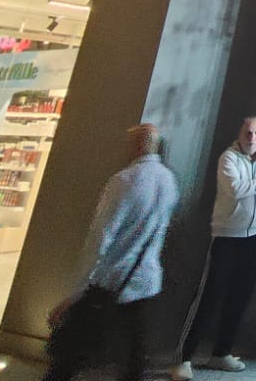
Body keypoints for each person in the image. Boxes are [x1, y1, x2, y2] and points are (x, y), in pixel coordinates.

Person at [45, 122, 179, 381]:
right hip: (147, 279)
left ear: (137, 145)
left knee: (73, 352)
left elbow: (101, 237)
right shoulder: (169, 180)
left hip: (112, 280)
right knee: (135, 353)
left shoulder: (124, 181)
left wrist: (77, 290)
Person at [172, 116, 256, 378]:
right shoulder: (228, 158)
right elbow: (236, 189)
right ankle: (184, 357)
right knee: (209, 296)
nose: (252, 138)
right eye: (248, 132)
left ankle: (221, 352)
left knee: (240, 295)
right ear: (240, 134)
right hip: (227, 237)